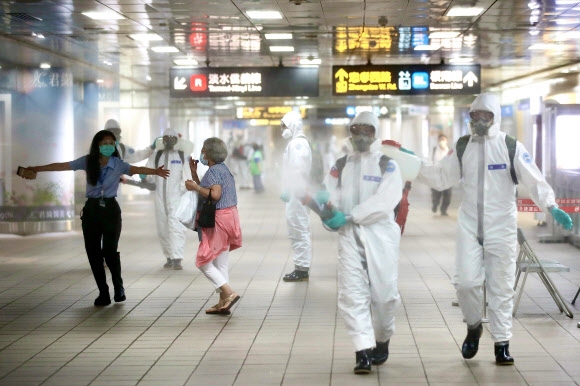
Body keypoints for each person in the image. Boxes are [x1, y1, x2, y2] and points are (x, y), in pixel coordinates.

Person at [417, 93, 573, 365]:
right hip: (469, 224)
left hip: (501, 225)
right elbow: (442, 176)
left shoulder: (510, 146)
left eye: (485, 116)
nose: (479, 120)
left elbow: (533, 178)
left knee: (501, 287)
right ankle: (474, 325)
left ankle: (502, 342)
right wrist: (414, 166)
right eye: (474, 115)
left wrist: (551, 205)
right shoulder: (463, 146)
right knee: (465, 282)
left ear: (495, 117)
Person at [19, 130, 170, 306]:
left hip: (111, 211)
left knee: (109, 251)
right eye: (104, 143)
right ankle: (103, 292)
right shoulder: (87, 161)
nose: (108, 146)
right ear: (97, 145)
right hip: (92, 210)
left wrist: (155, 171)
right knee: (93, 253)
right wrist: (37, 168)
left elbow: (136, 169)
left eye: (110, 143)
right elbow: (63, 166)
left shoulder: (118, 164)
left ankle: (118, 286)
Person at [321, 111, 403, 375]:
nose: (361, 135)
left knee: (384, 297)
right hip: (348, 236)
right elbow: (327, 194)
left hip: (380, 236)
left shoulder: (388, 165)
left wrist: (351, 214)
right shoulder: (341, 164)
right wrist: (329, 212)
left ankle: (382, 337)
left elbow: (384, 202)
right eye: (356, 130)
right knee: (352, 294)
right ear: (350, 132)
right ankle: (363, 351)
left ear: (376, 133)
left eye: (367, 130)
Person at [185, 137, 242, 315]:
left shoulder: (214, 171)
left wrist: (194, 187)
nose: (201, 153)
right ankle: (223, 302)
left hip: (218, 219)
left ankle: (228, 293)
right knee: (220, 262)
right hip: (230, 216)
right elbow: (207, 189)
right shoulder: (222, 169)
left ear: (209, 153)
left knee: (203, 261)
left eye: (203, 150)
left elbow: (214, 195)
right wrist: (195, 174)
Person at [143, 129, 191, 270]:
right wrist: (145, 177)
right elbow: (149, 172)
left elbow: (188, 176)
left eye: (172, 138)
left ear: (177, 140)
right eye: (166, 138)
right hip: (159, 198)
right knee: (162, 228)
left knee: (176, 227)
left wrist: (184, 192)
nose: (169, 140)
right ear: (162, 140)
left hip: (176, 198)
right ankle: (169, 257)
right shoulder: (157, 155)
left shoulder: (183, 156)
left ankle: (177, 258)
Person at [279, 111, 313, 282]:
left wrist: (293, 189)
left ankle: (302, 269)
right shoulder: (296, 143)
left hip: (298, 194)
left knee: (298, 229)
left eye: (284, 126)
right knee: (297, 228)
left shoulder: (298, 144)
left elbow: (298, 169)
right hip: (296, 193)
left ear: (292, 126)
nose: (282, 129)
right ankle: (301, 267)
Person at [431, 133, 452, 216]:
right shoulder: (434, 150)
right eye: (440, 140)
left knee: (447, 194)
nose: (442, 141)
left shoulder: (450, 151)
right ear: (438, 141)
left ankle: (444, 209)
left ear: (446, 141)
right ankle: (435, 204)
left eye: (444, 140)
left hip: (447, 176)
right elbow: (430, 161)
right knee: (436, 192)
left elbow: (453, 162)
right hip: (436, 175)